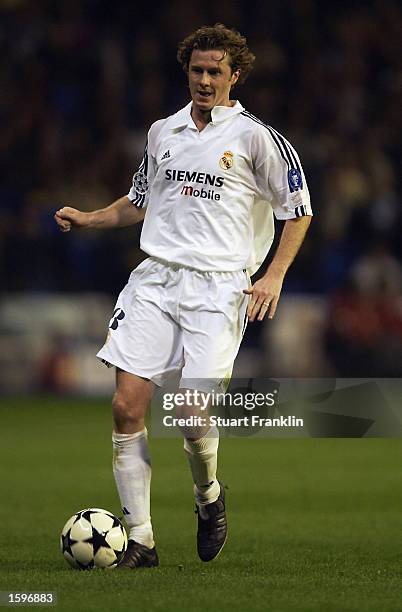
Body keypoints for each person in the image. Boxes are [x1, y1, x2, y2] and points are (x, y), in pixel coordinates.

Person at [54, 23, 312, 568]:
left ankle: (209, 497)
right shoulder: (162, 131)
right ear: (186, 72)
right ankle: (141, 541)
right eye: (196, 70)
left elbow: (299, 209)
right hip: (155, 280)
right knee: (127, 407)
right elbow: (140, 200)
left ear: (234, 75)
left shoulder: (256, 138)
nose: (203, 79)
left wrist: (274, 276)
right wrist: (91, 217)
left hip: (220, 289)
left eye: (215, 71)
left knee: (193, 416)